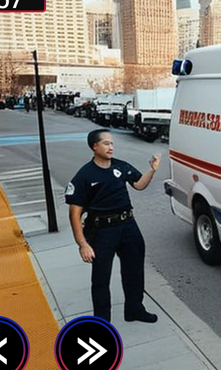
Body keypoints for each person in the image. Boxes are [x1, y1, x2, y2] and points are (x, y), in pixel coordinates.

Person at [65, 128, 161, 324]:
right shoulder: (84, 175)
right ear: (95, 146)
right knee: (101, 278)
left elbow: (139, 184)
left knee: (134, 270)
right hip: (101, 231)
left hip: (128, 226)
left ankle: (134, 309)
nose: (111, 147)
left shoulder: (120, 166)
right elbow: (74, 213)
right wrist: (83, 244)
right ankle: (102, 322)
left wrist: (152, 170)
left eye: (112, 143)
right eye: (106, 143)